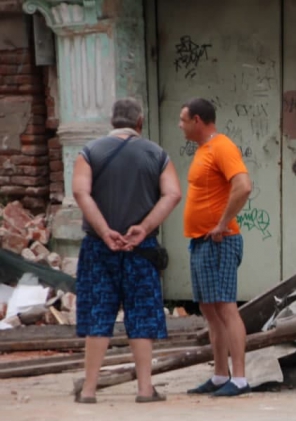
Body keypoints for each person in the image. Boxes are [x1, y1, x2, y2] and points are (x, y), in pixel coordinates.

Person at [72, 97, 182, 404]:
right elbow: (173, 194)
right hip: (140, 248)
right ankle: (145, 389)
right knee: (142, 315)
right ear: (140, 122)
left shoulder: (89, 152)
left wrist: (105, 230)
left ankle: (89, 389)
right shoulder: (157, 154)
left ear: (112, 122)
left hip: (98, 247)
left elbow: (80, 191)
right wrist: (143, 228)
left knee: (98, 314)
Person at [179, 98, 253, 397]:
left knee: (226, 308)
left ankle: (240, 379)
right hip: (202, 242)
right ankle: (220, 375)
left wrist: (223, 222)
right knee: (209, 309)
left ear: (198, 120)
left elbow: (243, 186)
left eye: (183, 120)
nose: (180, 126)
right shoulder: (203, 150)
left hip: (220, 241)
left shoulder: (222, 147)